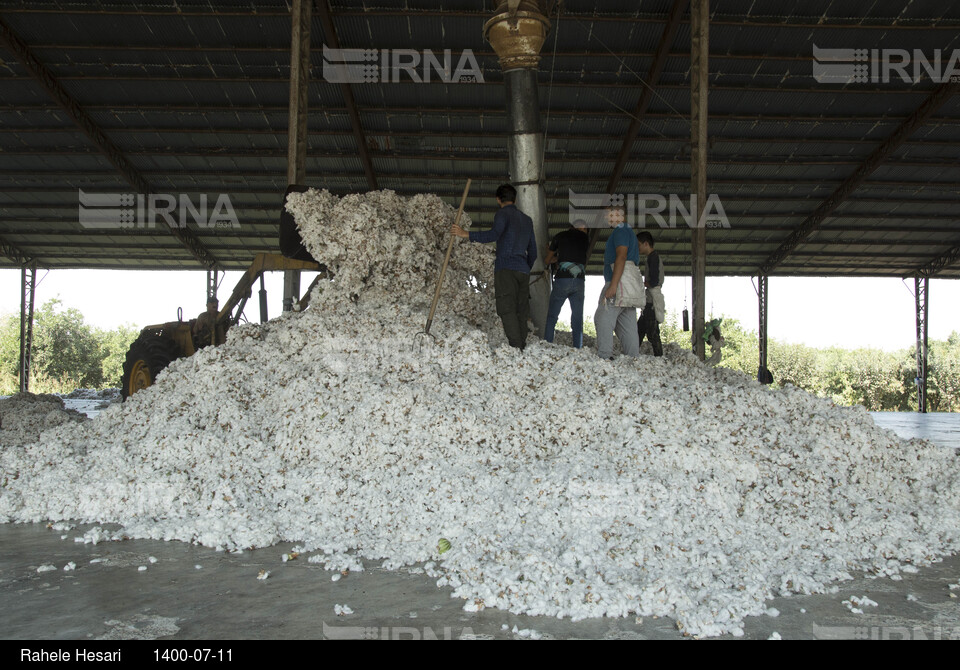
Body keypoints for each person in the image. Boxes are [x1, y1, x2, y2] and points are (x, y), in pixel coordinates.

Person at [451, 184, 537, 350]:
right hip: (523, 270)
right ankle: (522, 345)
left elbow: (493, 235)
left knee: (507, 308)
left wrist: (465, 234)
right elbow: (532, 250)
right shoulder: (527, 220)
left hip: (506, 268)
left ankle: (516, 346)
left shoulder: (502, 214)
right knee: (521, 309)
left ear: (498, 200)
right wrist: (526, 268)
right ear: (515, 199)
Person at [595, 206, 641, 360]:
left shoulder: (620, 230)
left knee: (602, 318)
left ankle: (605, 356)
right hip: (630, 287)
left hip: (618, 283)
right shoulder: (629, 231)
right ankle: (633, 358)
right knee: (627, 324)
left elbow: (621, 256)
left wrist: (613, 286)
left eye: (608, 214)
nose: (606, 217)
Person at [543, 218, 589, 348]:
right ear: (581, 227)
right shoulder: (585, 239)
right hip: (579, 280)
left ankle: (547, 345)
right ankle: (577, 347)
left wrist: (551, 254)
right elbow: (575, 256)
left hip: (562, 279)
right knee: (577, 318)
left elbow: (547, 260)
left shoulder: (559, 236)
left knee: (552, 316)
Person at [636, 231, 665, 357]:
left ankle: (659, 356)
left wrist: (641, 284)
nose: (637, 248)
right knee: (640, 328)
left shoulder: (653, 257)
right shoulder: (651, 257)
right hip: (649, 299)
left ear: (646, 243)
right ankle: (633, 352)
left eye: (639, 245)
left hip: (652, 300)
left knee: (652, 332)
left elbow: (654, 281)